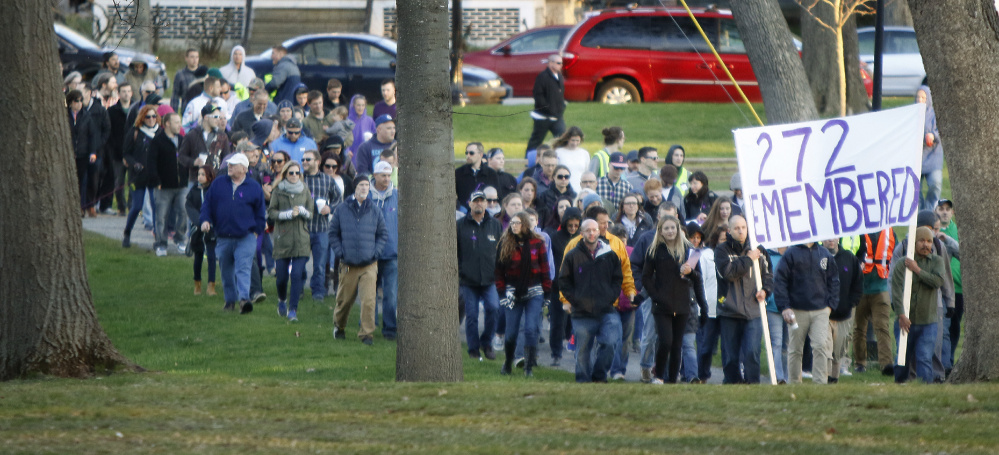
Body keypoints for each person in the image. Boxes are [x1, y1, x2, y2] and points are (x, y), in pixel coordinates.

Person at [643, 216, 708, 384]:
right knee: (665, 341)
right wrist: (655, 295)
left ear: (679, 229)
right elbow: (646, 277)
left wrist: (690, 272)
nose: (670, 231)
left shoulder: (688, 249)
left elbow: (698, 278)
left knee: (677, 344)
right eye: (666, 228)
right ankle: (659, 376)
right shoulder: (654, 250)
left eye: (673, 227)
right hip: (661, 304)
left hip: (682, 303)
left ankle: (672, 380)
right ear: (660, 231)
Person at [200, 153, 267, 314]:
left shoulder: (254, 187)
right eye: (229, 164)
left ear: (244, 169)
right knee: (226, 270)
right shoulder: (218, 184)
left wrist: (256, 233)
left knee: (243, 268)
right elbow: (207, 205)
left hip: (246, 237)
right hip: (223, 237)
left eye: (234, 164)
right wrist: (205, 220)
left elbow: (260, 213)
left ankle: (244, 300)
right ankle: (230, 300)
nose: (229, 166)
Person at [559, 219, 624, 382]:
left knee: (610, 343)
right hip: (581, 312)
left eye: (595, 230)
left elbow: (617, 279)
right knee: (582, 351)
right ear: (581, 233)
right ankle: (583, 381)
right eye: (588, 230)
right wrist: (576, 300)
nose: (592, 233)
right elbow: (563, 281)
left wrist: (611, 296)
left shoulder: (610, 255)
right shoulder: (572, 255)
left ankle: (599, 376)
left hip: (607, 310)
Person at [715, 214, 773, 384]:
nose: (741, 231)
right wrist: (748, 259)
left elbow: (768, 275)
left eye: (743, 227)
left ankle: (752, 384)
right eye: (737, 228)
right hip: (729, 310)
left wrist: (766, 290)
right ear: (729, 230)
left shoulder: (759, 249)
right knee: (730, 355)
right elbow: (728, 273)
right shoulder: (721, 250)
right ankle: (733, 383)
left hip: (753, 310)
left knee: (752, 352)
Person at [330, 176, 388, 345]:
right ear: (354, 188)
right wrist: (340, 252)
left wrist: (375, 253)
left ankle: (366, 334)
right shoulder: (342, 209)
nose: (364, 188)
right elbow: (333, 233)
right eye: (361, 185)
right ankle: (339, 326)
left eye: (366, 186)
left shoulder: (374, 209)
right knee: (345, 301)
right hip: (348, 264)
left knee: (369, 300)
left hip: (369, 264)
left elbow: (382, 234)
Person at [494, 212, 552, 377]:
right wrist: (502, 293)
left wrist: (547, 294)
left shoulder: (538, 243)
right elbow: (498, 272)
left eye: (518, 223)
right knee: (511, 333)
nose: (514, 225)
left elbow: (545, 269)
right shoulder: (505, 243)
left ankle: (528, 366)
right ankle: (507, 362)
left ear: (525, 224)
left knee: (531, 329)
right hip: (512, 293)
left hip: (535, 291)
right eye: (512, 223)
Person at [774, 240, 839, 385]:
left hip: (821, 310)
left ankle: (820, 384)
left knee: (820, 345)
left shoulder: (824, 254)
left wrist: (830, 306)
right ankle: (795, 384)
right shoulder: (790, 253)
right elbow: (780, 280)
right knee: (795, 349)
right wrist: (785, 307)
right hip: (796, 310)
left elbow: (834, 280)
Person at [892, 227, 946, 383]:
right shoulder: (903, 264)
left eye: (929, 241)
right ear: (914, 243)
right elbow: (896, 291)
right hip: (905, 321)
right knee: (902, 358)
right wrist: (901, 315)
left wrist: (917, 270)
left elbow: (937, 281)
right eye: (922, 241)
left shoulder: (937, 261)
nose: (926, 245)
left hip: (928, 322)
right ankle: (899, 386)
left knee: (924, 357)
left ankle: (925, 389)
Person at [457, 191, 504, 360]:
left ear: (486, 204)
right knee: (472, 316)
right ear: (469, 203)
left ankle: (487, 343)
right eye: (475, 201)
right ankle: (473, 349)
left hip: (490, 279)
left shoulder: (495, 225)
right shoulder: (460, 225)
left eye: (481, 201)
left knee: (493, 308)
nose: (479, 204)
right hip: (468, 280)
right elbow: (455, 252)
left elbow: (501, 251)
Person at [267, 160, 314, 321]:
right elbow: (271, 212)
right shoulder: (278, 191)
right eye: (291, 173)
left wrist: (303, 212)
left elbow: (311, 213)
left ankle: (293, 310)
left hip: (301, 238)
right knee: (281, 277)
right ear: (285, 174)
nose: (294, 176)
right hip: (283, 239)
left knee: (296, 274)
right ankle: (282, 300)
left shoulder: (304, 190)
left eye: (297, 173)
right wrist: (285, 215)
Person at [853, 228, 898, 375]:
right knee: (859, 329)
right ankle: (860, 363)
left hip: (881, 288)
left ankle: (886, 365)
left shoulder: (890, 232)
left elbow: (896, 257)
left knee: (882, 327)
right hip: (859, 288)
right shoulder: (856, 229)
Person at [302, 149, 342, 302]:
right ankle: (298, 289)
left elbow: (339, 199)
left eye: (308, 159)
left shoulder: (327, 180)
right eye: (303, 159)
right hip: (302, 228)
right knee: (300, 263)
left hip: (321, 228)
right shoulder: (299, 178)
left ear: (317, 162)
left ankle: (318, 292)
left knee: (319, 265)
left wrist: (330, 208)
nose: (304, 162)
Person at [544, 206, 581, 365]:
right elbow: (553, 262)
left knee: (578, 321)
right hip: (558, 285)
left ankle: (578, 351)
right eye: (570, 225)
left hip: (578, 285)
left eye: (576, 225)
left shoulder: (582, 238)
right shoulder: (556, 238)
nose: (573, 228)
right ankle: (556, 353)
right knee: (557, 321)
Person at [147, 113, 187, 257]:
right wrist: (156, 180)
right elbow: (151, 162)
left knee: (183, 211)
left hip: (181, 185)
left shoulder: (183, 140)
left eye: (180, 122)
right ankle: (161, 243)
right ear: (167, 124)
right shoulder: (158, 141)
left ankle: (180, 239)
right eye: (176, 122)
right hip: (163, 186)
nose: (179, 125)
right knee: (161, 216)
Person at [824, 238, 863, 383]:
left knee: (837, 353)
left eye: (833, 237)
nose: (830, 240)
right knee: (824, 349)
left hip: (844, 314)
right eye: (827, 237)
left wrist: (851, 303)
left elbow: (858, 283)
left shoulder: (849, 258)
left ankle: (834, 380)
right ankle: (824, 379)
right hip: (823, 314)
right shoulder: (818, 256)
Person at [121, 105, 160, 247]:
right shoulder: (135, 132)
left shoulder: (159, 132)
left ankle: (158, 236)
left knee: (156, 206)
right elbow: (126, 153)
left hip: (154, 175)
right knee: (137, 206)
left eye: (154, 116)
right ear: (142, 118)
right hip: (138, 176)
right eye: (148, 117)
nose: (151, 120)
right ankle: (127, 232)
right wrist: (134, 164)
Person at [371, 161, 399, 340]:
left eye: (389, 175)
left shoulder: (397, 196)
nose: (387, 179)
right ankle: (369, 326)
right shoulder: (366, 196)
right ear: (375, 175)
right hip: (370, 254)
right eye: (383, 175)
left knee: (390, 294)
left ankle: (390, 329)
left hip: (392, 253)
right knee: (369, 293)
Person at [936, 199, 962, 373]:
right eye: (941, 209)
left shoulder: (959, 230)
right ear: (936, 211)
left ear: (952, 212)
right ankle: (944, 364)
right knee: (942, 327)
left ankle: (949, 359)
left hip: (958, 288)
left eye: (948, 209)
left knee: (955, 325)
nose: (945, 212)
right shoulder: (931, 229)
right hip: (940, 287)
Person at [186, 165, 218, 296]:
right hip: (197, 229)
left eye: (203, 174)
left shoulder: (214, 190)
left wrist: (211, 221)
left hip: (211, 228)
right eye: (198, 174)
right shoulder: (193, 190)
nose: (200, 177)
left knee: (211, 256)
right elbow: (189, 206)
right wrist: (199, 221)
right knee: (198, 256)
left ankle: (211, 285)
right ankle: (197, 283)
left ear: (210, 176)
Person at [526, 54, 566, 152]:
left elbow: (560, 95)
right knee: (536, 140)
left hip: (557, 116)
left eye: (561, 63)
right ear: (550, 63)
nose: (561, 65)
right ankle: (528, 161)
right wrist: (548, 109)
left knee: (563, 139)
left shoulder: (559, 76)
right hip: (543, 117)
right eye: (558, 63)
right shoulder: (542, 77)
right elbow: (538, 96)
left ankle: (561, 158)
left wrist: (561, 107)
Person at [67, 90, 96, 216]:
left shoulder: (86, 116)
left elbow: (92, 136)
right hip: (69, 153)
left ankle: (81, 206)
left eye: (80, 101)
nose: (79, 104)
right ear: (70, 103)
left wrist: (92, 152)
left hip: (83, 153)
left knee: (82, 181)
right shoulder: (65, 115)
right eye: (76, 101)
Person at [916, 86, 943, 210]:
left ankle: (930, 208)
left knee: (935, 183)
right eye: (918, 97)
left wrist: (933, 135)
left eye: (923, 98)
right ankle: (920, 211)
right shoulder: (912, 114)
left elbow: (942, 132)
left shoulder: (936, 113)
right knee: (915, 188)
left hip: (933, 156)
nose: (920, 100)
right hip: (916, 157)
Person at [455, 142, 499, 211]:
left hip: (486, 212)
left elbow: (498, 195)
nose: (468, 156)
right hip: (464, 212)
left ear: (480, 154)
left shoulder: (491, 174)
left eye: (471, 153)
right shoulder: (458, 173)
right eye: (466, 153)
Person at [553, 126, 589, 192]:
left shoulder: (584, 153)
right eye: (573, 140)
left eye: (577, 141)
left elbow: (587, 172)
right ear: (568, 139)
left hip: (580, 190)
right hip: (564, 190)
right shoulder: (559, 152)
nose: (575, 143)